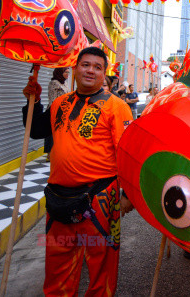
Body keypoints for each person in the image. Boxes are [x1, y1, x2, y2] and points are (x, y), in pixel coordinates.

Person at [22, 46, 134, 296]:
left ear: (105, 74)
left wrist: (129, 195)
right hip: (58, 199)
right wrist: (34, 101)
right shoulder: (60, 102)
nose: (90, 71)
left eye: (97, 67)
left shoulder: (117, 107)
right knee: (57, 263)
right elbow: (36, 130)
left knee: (100, 264)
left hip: (99, 200)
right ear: (75, 67)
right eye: (85, 65)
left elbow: (128, 155)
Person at [44, 68, 70, 161]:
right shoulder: (54, 83)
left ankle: (58, 151)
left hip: (64, 111)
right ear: (60, 72)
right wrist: (55, 112)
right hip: (54, 110)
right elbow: (52, 99)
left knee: (60, 133)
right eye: (65, 72)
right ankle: (49, 154)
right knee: (51, 133)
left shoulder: (65, 83)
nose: (67, 74)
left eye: (68, 72)